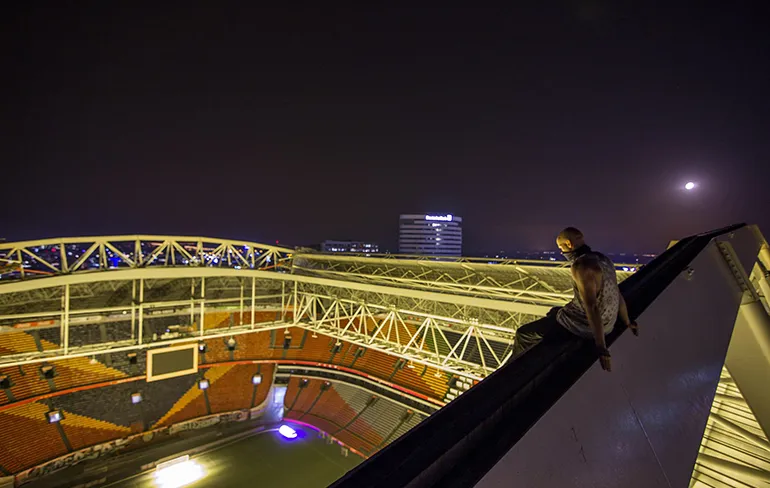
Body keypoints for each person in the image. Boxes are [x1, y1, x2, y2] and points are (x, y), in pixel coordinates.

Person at [512, 227, 638, 372]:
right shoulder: (604, 259)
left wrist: (601, 347)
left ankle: (512, 372)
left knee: (523, 333)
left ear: (569, 244)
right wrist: (627, 321)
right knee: (554, 311)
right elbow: (617, 293)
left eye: (561, 248)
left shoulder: (581, 266)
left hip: (584, 325)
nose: (562, 252)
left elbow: (591, 307)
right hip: (609, 323)